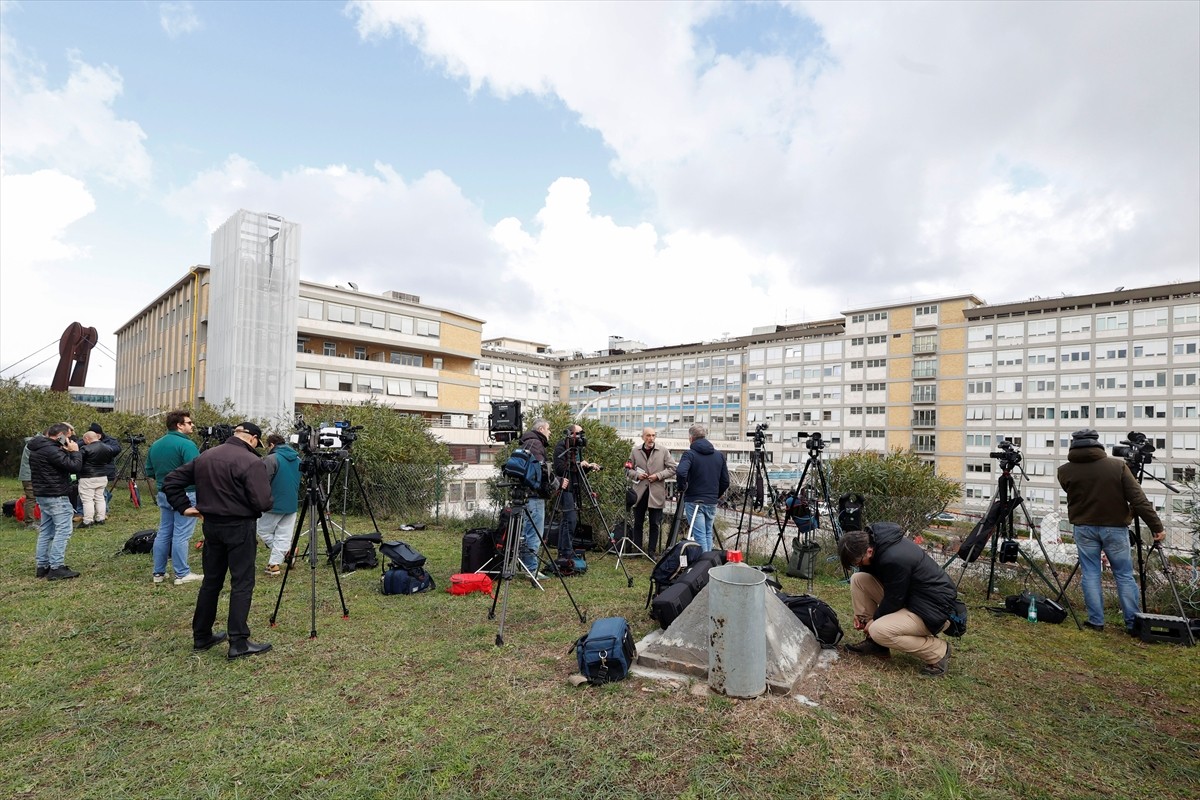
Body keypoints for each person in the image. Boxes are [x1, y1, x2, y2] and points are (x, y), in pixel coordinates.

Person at [163, 422, 273, 659]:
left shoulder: (206, 456)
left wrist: (185, 508)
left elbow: (171, 481)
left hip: (211, 527)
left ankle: (202, 636)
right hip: (240, 527)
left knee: (211, 582)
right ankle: (239, 642)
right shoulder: (251, 461)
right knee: (242, 582)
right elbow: (263, 502)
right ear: (253, 439)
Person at [1057, 428, 1165, 634]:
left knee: (1090, 573)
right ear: (1097, 443)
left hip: (1084, 528)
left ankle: (1096, 621)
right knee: (1123, 575)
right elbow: (1138, 499)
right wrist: (1156, 527)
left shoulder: (1064, 470)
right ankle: (1133, 623)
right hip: (1115, 528)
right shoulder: (1118, 466)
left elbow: (1073, 493)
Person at [838, 522, 958, 677]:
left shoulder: (894, 558)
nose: (859, 565)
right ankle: (876, 644)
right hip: (911, 598)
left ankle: (938, 651)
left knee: (878, 629)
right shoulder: (877, 545)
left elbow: (894, 599)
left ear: (868, 551)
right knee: (858, 579)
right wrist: (862, 618)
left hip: (934, 610)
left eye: (858, 562)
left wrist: (874, 620)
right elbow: (893, 592)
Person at [145, 410, 202, 585]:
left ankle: (158, 573)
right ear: (179, 425)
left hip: (163, 492)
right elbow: (197, 469)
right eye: (189, 423)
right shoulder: (187, 445)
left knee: (164, 532)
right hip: (186, 493)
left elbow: (149, 470)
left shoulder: (156, 444)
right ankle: (182, 574)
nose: (192, 425)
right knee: (181, 534)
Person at [29, 422, 83, 580]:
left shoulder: (38, 448)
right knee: (63, 531)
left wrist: (64, 451)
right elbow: (74, 467)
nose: (70, 440)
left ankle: (42, 566)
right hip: (56, 495)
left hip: (43, 494)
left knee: (46, 530)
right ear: (60, 436)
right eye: (68, 437)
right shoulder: (51, 450)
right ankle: (56, 567)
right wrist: (75, 452)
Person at [674, 423, 729, 552]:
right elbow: (725, 481)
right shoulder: (719, 455)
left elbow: (681, 472)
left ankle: (703, 565)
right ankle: (709, 563)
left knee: (699, 535)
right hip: (711, 501)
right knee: (708, 533)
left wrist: (682, 487)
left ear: (691, 438)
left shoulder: (690, 454)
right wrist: (716, 494)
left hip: (694, 500)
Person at [626, 427, 676, 556]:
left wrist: (658, 476)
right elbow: (628, 470)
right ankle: (638, 549)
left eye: (653, 435)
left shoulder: (663, 451)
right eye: (648, 435)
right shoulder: (635, 451)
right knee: (638, 522)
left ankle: (651, 551)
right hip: (640, 493)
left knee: (655, 523)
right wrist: (637, 475)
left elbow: (673, 468)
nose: (651, 438)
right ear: (642, 437)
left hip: (656, 492)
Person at [554, 424, 601, 558]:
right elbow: (559, 469)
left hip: (575, 486)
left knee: (568, 521)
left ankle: (565, 550)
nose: (581, 436)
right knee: (570, 520)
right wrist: (578, 464)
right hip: (566, 487)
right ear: (570, 433)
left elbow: (577, 471)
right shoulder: (561, 447)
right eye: (579, 433)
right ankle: (566, 552)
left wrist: (588, 467)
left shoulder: (577, 449)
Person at [257, 433, 300, 576]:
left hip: (273, 502)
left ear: (271, 445)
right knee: (284, 534)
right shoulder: (297, 458)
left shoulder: (271, 458)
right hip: (292, 501)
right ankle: (274, 564)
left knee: (262, 530)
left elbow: (262, 481)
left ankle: (286, 552)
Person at [516, 419, 552, 579]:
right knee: (534, 533)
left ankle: (526, 566)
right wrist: (555, 483)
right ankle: (531, 569)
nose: (550, 432)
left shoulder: (527, 442)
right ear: (542, 429)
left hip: (526, 494)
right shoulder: (536, 444)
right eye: (548, 429)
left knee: (526, 532)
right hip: (534, 494)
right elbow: (540, 470)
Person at [77, 429, 118, 527]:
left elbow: (78, 462)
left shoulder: (85, 449)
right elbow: (108, 461)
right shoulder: (108, 448)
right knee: (100, 498)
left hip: (87, 476)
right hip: (103, 476)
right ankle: (100, 518)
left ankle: (88, 520)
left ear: (87, 439)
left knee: (87, 499)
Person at [18, 435, 37, 529]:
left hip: (29, 474)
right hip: (29, 475)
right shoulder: (35, 444)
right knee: (31, 498)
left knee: (32, 498)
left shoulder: (34, 442)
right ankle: (29, 523)